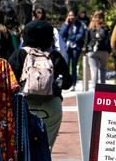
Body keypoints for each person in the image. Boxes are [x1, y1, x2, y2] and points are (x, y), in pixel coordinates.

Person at [9, 19, 74, 148]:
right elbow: (67, 83)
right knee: (46, 147)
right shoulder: (55, 56)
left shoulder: (19, 54)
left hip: (23, 105)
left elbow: (9, 80)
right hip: (51, 106)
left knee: (22, 145)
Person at [58, 9, 87, 88]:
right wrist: (66, 24)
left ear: (75, 16)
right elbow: (61, 34)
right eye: (69, 15)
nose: (71, 17)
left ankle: (74, 83)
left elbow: (81, 35)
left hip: (75, 48)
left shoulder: (80, 24)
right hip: (67, 48)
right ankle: (65, 82)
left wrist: (71, 38)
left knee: (74, 65)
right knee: (66, 64)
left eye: (72, 15)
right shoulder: (66, 24)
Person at [86, 11, 111, 90]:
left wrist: (87, 50)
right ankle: (103, 88)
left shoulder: (90, 27)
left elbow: (86, 40)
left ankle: (94, 88)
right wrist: (109, 51)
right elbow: (108, 40)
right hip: (104, 51)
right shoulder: (106, 27)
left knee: (94, 70)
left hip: (92, 51)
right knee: (103, 70)